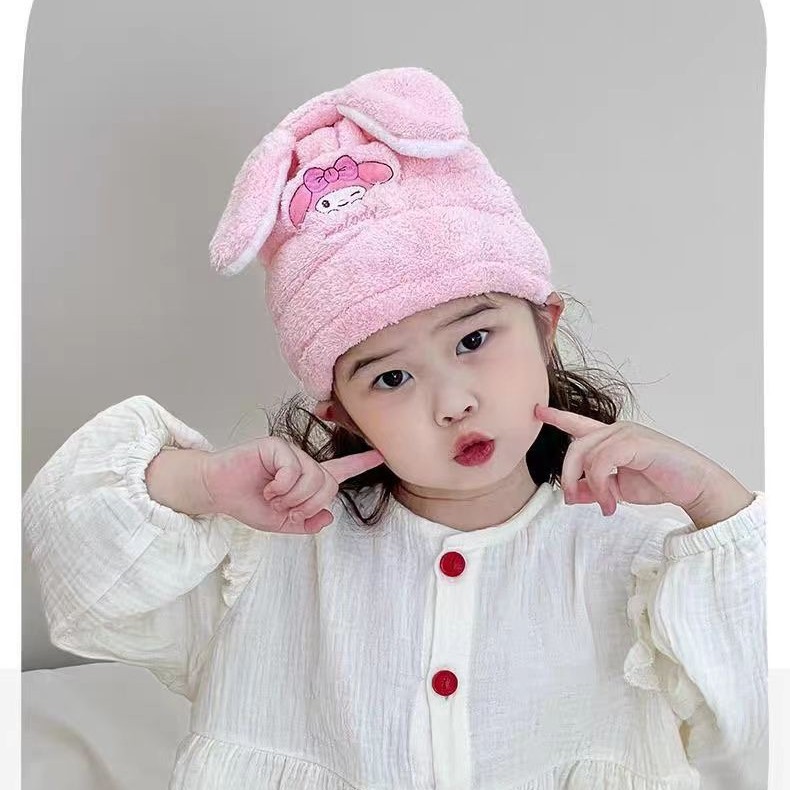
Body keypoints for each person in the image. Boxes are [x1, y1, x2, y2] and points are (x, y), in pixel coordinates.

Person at [22, 66, 766, 790]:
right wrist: (204, 485)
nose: (452, 402)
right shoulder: (273, 557)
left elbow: (751, 712)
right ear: (340, 412)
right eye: (391, 378)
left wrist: (712, 500)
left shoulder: (629, 551)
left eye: (474, 340)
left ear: (545, 328)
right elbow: (81, 574)